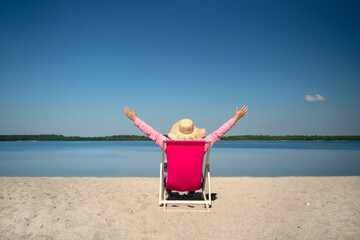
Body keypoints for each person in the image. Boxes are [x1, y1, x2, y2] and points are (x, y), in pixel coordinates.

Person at [123, 105, 248, 198]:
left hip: (171, 182)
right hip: (195, 183)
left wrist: (136, 119)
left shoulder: (168, 144)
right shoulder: (203, 145)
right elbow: (218, 133)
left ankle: (168, 192)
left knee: (166, 164)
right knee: (195, 166)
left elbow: (152, 134)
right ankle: (191, 192)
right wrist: (235, 119)